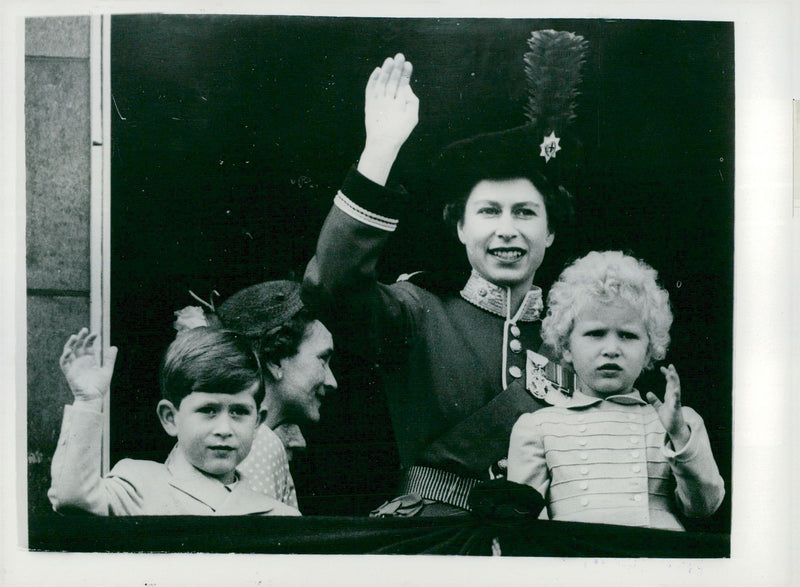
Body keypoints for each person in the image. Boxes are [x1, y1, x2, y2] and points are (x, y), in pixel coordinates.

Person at [302, 53, 575, 516]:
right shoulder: (419, 311)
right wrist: (380, 151)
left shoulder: (576, 338)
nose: (507, 229)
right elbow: (330, 285)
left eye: (525, 213)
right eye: (489, 211)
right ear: (461, 229)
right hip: (434, 538)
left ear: (550, 232)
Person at [506, 251, 725, 530]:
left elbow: (704, 506)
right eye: (595, 333)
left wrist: (678, 434)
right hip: (576, 561)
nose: (611, 349)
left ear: (649, 351)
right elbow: (523, 528)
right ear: (566, 347)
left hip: (657, 560)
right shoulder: (537, 427)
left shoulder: (678, 424)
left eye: (628, 335)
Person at [47, 327, 300, 516]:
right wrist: (88, 400)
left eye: (239, 412)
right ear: (170, 418)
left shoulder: (277, 515)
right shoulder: (139, 485)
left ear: (258, 423)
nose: (224, 429)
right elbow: (73, 497)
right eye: (208, 410)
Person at [173, 280, 337, 510]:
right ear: (275, 360)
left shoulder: (212, 442)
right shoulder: (255, 445)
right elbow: (255, 539)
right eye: (323, 359)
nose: (332, 382)